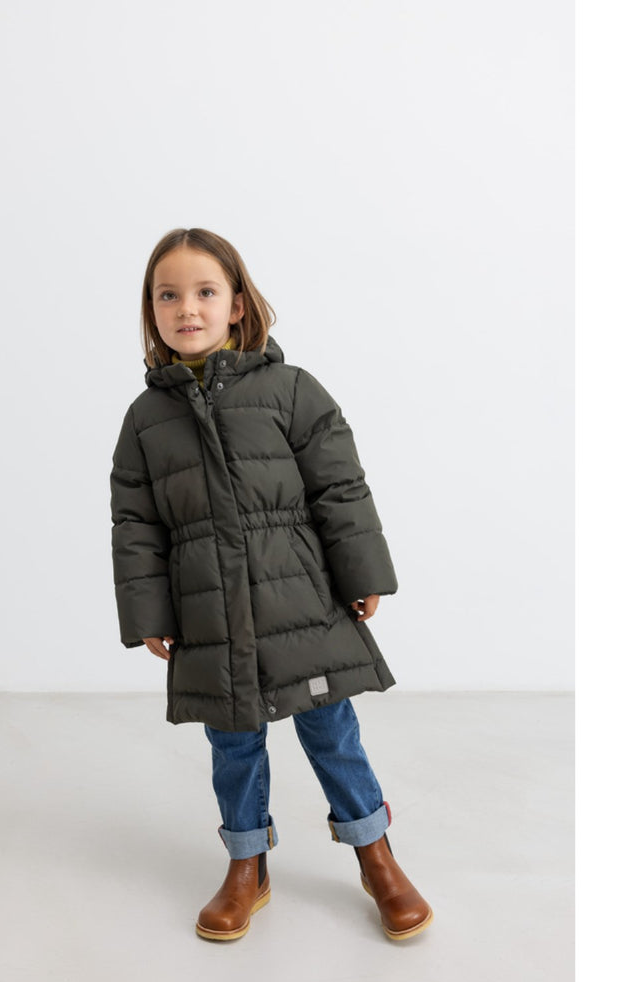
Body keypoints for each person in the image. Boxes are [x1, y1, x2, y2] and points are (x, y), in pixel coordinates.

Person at [109, 227, 432, 942]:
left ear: (237, 306)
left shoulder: (290, 391)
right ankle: (246, 866)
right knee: (233, 747)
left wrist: (362, 573)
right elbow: (135, 525)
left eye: (204, 291)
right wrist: (148, 613)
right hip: (211, 618)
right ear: (152, 311)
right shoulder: (144, 421)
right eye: (168, 295)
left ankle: (376, 857)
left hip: (303, 606)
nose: (186, 308)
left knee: (333, 735)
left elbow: (340, 487)